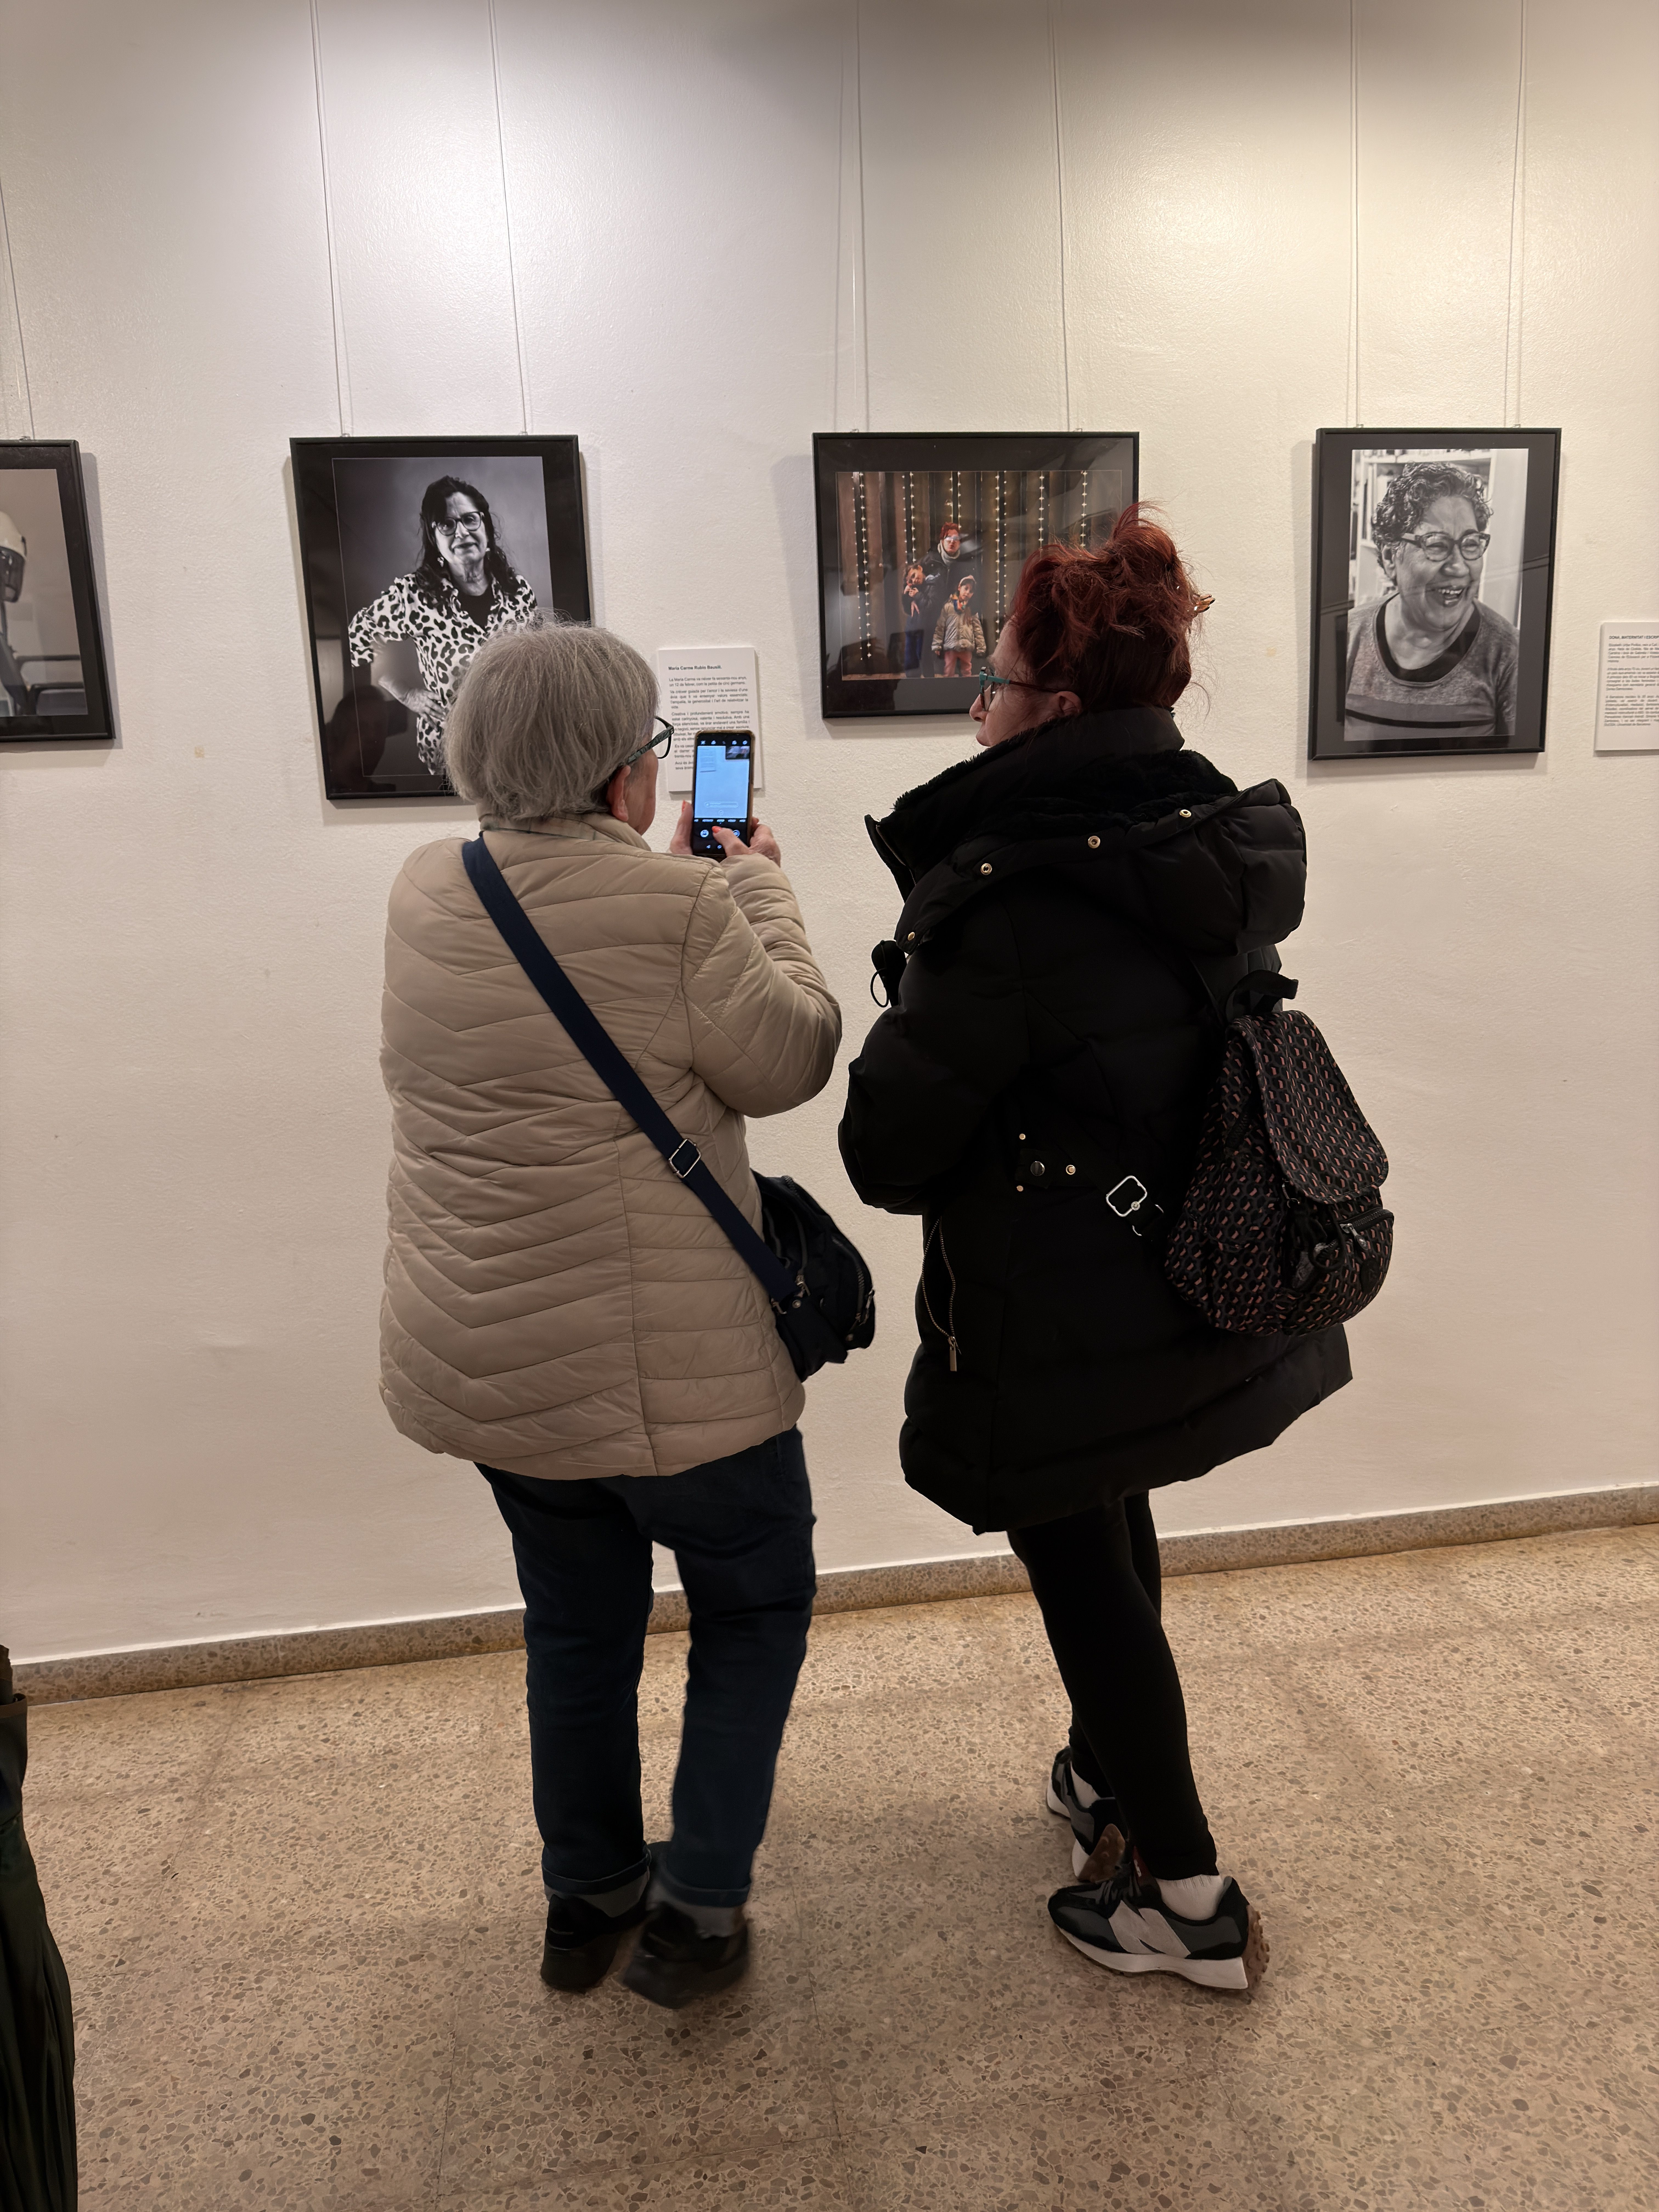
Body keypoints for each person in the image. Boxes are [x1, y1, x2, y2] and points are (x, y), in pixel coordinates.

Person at [839, 507, 1351, 1994]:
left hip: (1056, 1305)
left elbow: (889, 1150)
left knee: (1081, 1559)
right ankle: (1106, 1778)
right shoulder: (1199, 850)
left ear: (1053, 709)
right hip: (1179, 1280)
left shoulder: (1007, 901)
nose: (977, 705)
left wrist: (907, 1001)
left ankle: (1187, 1897)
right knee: (1112, 1529)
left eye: (990, 682)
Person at [379, 620, 840, 2007]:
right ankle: (699, 1907)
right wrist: (760, 889)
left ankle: (586, 1897)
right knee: (751, 1608)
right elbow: (796, 1053)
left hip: (496, 1361)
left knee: (575, 1625)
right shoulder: (681, 908)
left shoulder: (423, 888)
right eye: (647, 748)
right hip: (679, 1379)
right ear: (619, 770)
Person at [349, 476, 540, 774]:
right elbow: (358, 638)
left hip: (515, 753)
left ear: (487, 527)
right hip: (451, 758)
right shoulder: (414, 596)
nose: (462, 532)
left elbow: (540, 665)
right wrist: (406, 695)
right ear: (434, 539)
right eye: (447, 525)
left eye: (470, 520)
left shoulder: (519, 593)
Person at [1344, 460, 1520, 744]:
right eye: (1437, 545)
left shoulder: (1508, 654)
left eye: (1471, 544)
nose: (1459, 567)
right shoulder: (1348, 637)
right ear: (1391, 558)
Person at [932, 573, 986, 676]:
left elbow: (978, 630)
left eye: (971, 591)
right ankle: (949, 690)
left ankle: (966, 690)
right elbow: (940, 627)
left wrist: (981, 647)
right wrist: (937, 645)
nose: (967, 593)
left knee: (966, 671)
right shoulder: (948, 607)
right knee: (949, 671)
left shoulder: (972, 611)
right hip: (951, 646)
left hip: (966, 646)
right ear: (960, 588)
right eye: (966, 589)